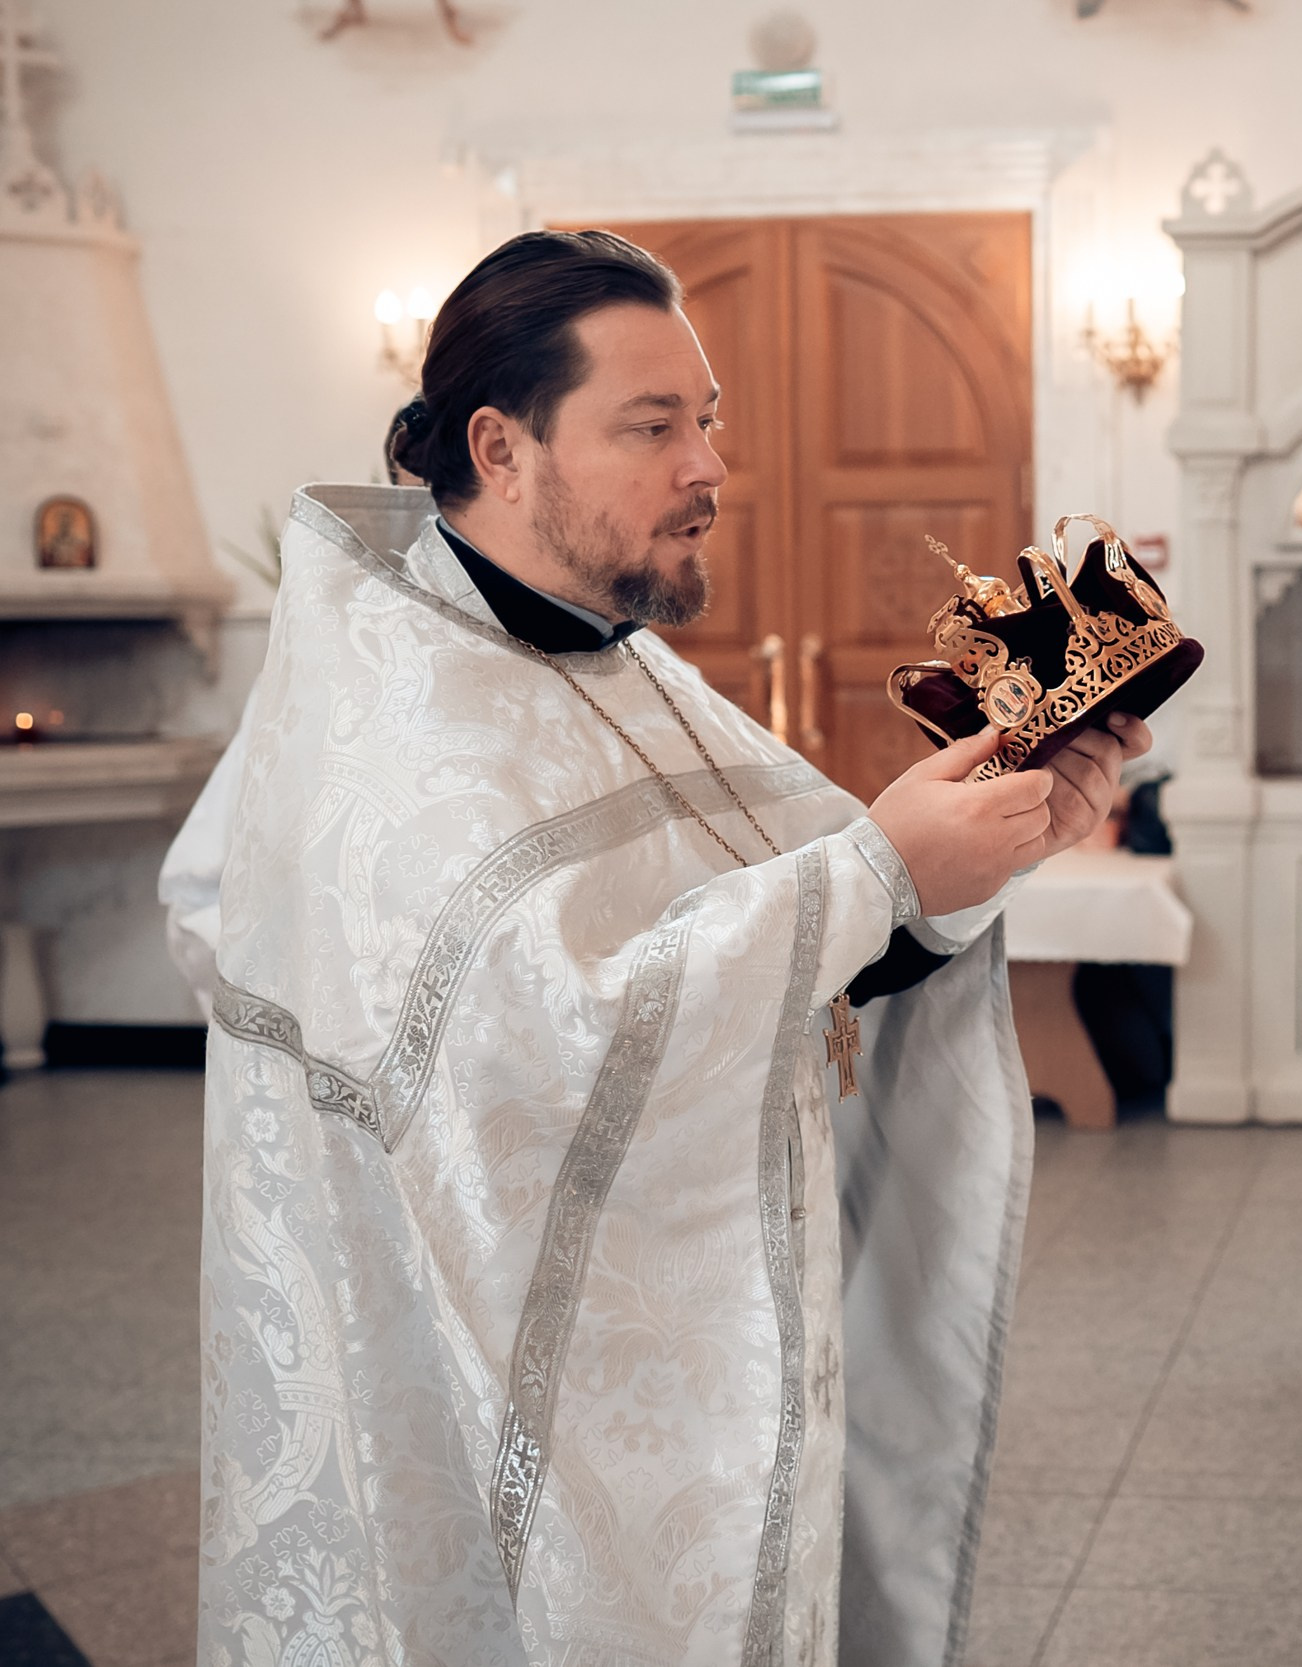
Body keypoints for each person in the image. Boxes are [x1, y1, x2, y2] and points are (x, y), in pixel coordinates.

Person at [159, 229, 1147, 1665]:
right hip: (474, 1393)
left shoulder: (605, 651)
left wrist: (969, 861)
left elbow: (805, 931)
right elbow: (533, 1034)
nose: (709, 465)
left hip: (672, 1370)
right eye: (654, 424)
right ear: (501, 447)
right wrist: (877, 869)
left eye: (711, 417)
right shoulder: (391, 711)